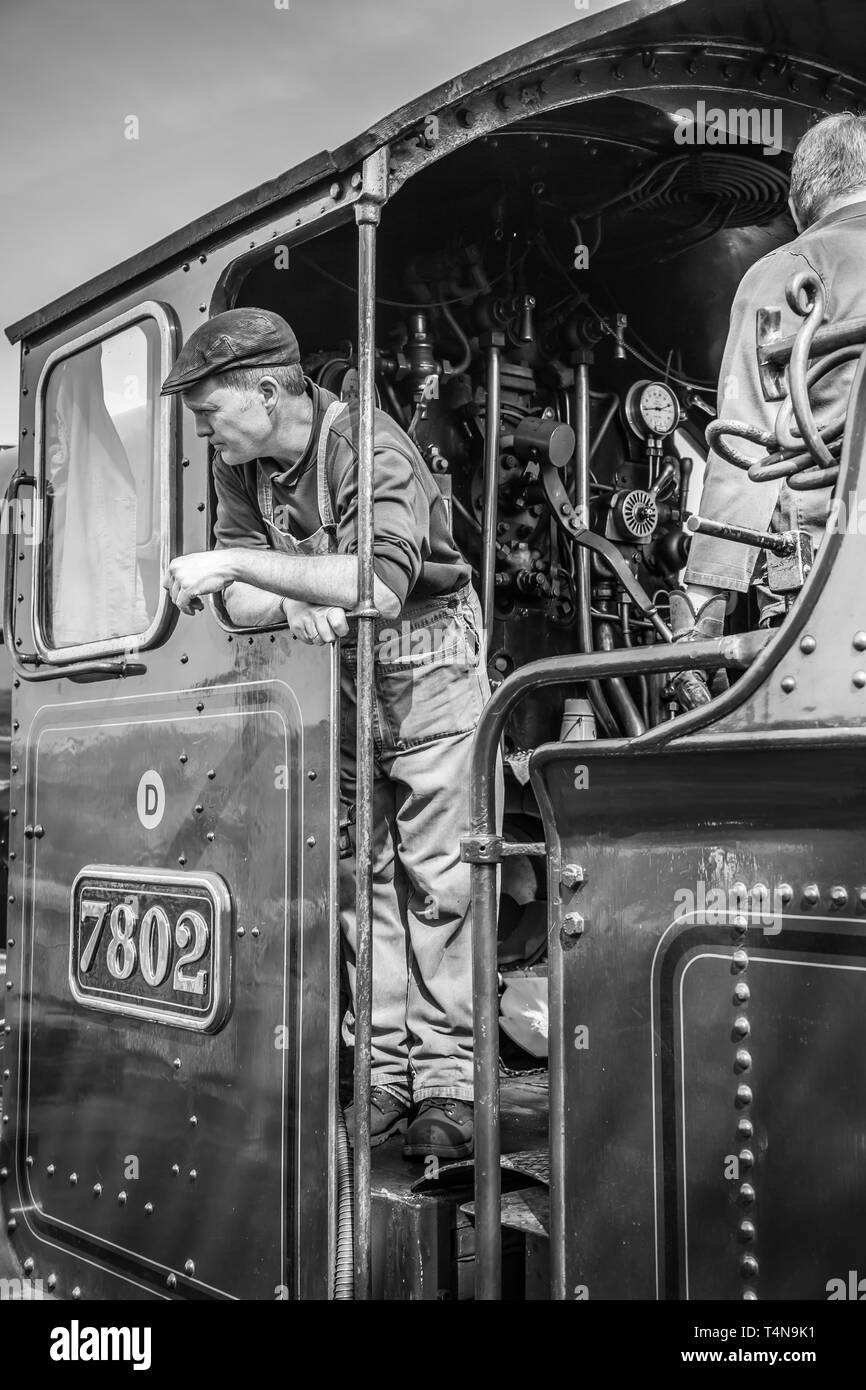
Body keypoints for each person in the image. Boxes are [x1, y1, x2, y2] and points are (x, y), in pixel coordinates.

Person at [160, 307, 499, 1160]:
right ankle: (384, 1076)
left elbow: (377, 587)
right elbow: (238, 606)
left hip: (428, 667)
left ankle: (451, 1086)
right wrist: (304, 592)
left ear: (268, 391)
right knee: (365, 875)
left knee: (441, 881)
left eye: (210, 411)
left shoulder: (371, 448)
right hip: (349, 678)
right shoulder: (243, 466)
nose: (206, 429)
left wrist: (253, 567)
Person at [675, 113, 866, 703]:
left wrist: (700, 612)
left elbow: (745, 439)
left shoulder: (792, 271)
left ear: (801, 197)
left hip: (832, 583)